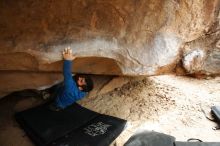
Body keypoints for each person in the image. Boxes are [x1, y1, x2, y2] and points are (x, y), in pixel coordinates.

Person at [48, 47, 93, 111]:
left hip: (59, 103)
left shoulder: (70, 88)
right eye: (82, 78)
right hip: (65, 100)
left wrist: (68, 60)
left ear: (80, 88)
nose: (79, 78)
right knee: (60, 88)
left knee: (53, 105)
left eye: (81, 80)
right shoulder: (84, 92)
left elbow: (67, 74)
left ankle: (53, 107)